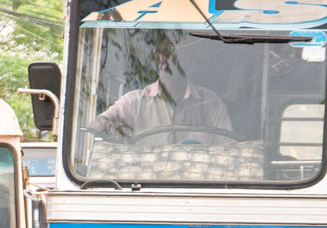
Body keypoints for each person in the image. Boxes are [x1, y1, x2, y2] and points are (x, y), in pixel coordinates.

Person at [91, 34, 233, 145]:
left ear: (190, 60)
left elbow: (228, 148)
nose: (171, 60)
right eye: (165, 53)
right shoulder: (134, 103)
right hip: (143, 181)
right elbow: (98, 125)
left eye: (179, 55)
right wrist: (108, 128)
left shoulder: (211, 104)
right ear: (157, 58)